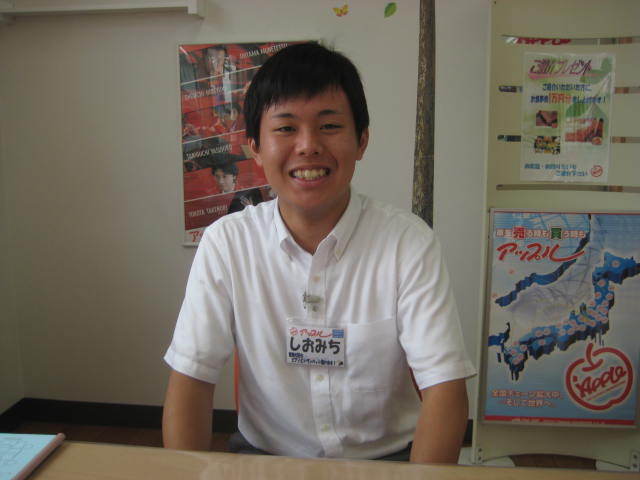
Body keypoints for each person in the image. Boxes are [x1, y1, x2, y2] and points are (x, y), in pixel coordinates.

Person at [163, 43, 476, 463]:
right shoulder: (227, 243)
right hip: (265, 459)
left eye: (329, 126)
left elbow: (445, 388)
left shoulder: (408, 243)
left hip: (389, 462)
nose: (308, 146)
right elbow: (192, 378)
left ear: (361, 141)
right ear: (255, 147)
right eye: (286, 128)